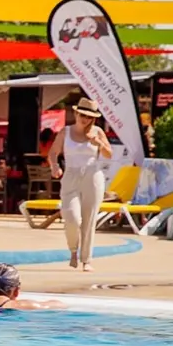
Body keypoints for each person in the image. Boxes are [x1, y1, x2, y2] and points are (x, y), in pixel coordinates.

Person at [48, 99, 114, 271]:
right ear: (76, 113)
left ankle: (87, 260)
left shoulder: (97, 131)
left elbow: (109, 154)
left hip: (92, 175)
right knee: (71, 217)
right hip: (71, 174)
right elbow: (53, 152)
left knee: (89, 219)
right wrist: (55, 166)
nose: (85, 119)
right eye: (82, 115)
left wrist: (98, 143)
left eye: (89, 116)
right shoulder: (66, 131)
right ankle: (73, 250)